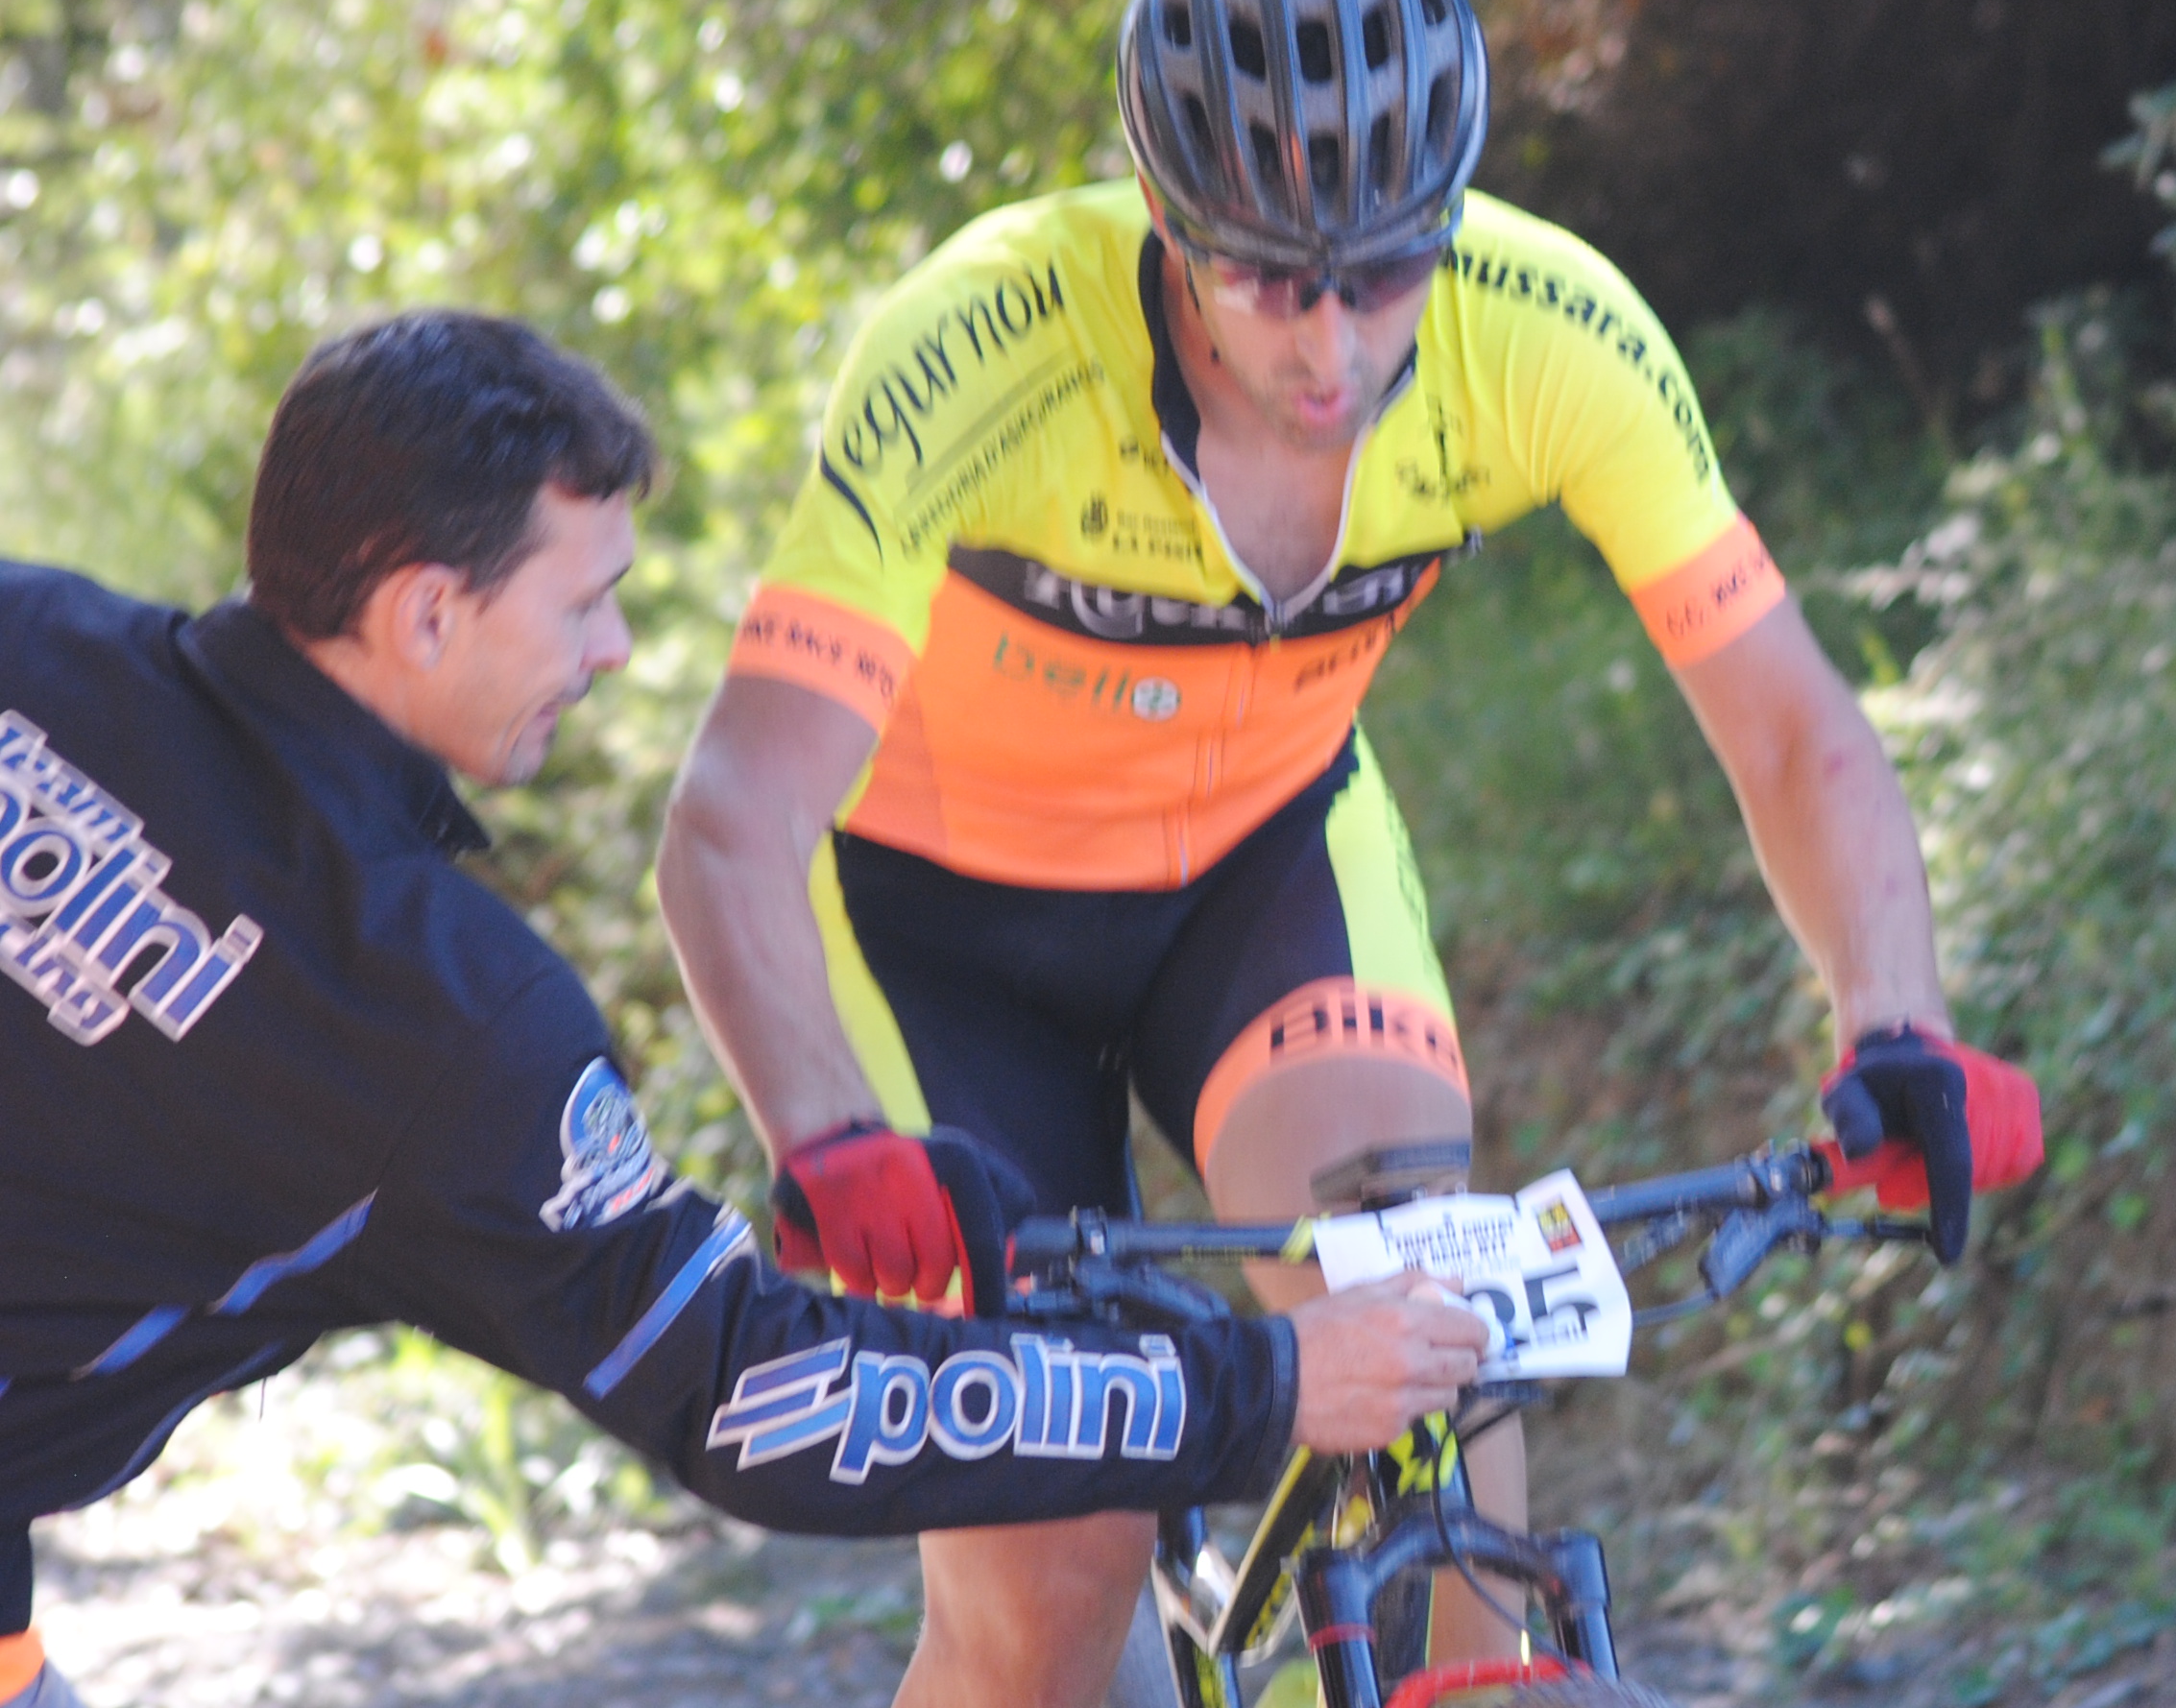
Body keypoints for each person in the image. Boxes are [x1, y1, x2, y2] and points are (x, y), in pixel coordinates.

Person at [656, 0, 2045, 1706]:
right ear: (1166, 220)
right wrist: (829, 1135)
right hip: (933, 933)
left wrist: (1899, 1021)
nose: (1333, 347)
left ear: (1449, 219)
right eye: (1268, 280)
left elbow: (1793, 728)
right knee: (1058, 1561)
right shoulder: (980, 346)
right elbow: (731, 823)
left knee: (1441, 1341)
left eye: (1387, 275)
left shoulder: (1549, 334)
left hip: (1261, 869)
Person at [0, 313, 1492, 1708]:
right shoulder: (432, 1021)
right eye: (583, 602)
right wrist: (1266, 1384)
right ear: (429, 612)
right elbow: (761, 1393)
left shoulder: (33, 637)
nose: (612, 652)